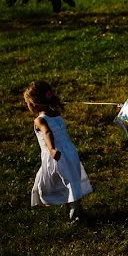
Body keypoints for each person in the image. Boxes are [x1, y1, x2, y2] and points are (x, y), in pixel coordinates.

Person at [24, 81, 92, 221]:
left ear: (34, 103)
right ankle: (74, 204)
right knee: (71, 178)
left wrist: (52, 149)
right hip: (69, 151)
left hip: (55, 155)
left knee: (52, 181)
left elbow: (47, 133)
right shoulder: (55, 113)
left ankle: (74, 209)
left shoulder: (39, 120)